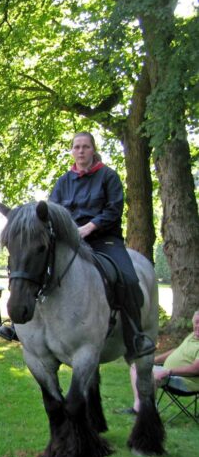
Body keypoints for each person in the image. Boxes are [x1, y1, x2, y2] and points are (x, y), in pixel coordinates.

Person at [49, 131, 155, 359]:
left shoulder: (108, 176)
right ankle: (28, 328)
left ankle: (135, 335)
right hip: (71, 243)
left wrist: (90, 227)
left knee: (127, 278)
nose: (81, 151)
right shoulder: (63, 182)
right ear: (72, 150)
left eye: (85, 146)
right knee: (39, 267)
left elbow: (114, 209)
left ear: (93, 150)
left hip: (105, 240)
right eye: (76, 147)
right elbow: (53, 211)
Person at [122, 309, 199, 414]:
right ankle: (138, 407)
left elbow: (195, 369)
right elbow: (175, 351)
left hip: (186, 380)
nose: (197, 326)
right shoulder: (192, 336)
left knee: (150, 376)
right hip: (168, 372)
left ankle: (149, 414)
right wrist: (153, 360)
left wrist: (168, 372)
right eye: (196, 322)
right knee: (136, 366)